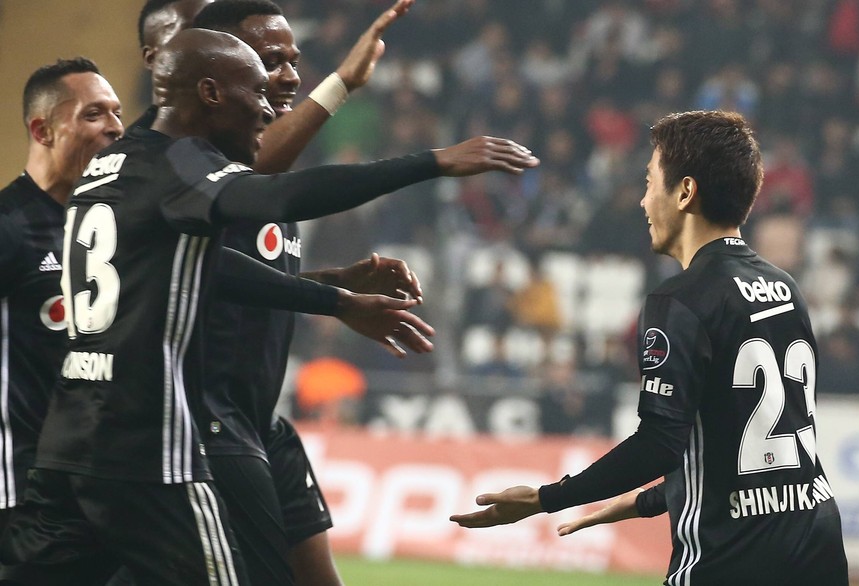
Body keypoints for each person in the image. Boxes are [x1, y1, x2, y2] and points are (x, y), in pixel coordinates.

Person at [0, 29, 537, 586]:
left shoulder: (106, 172)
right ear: (210, 93)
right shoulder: (179, 163)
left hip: (68, 445)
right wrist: (432, 162)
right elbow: (281, 195)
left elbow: (214, 272)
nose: (264, 109)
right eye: (254, 91)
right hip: (147, 445)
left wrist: (332, 296)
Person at [450, 110, 849, 586]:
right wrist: (644, 501)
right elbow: (750, 453)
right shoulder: (784, 287)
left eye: (649, 181)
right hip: (817, 544)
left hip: (731, 558)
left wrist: (546, 498)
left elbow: (660, 442)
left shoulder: (679, 300)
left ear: (684, 192)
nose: (643, 201)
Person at [191, 1, 422, 584]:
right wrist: (343, 83)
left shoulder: (268, 170)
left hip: (260, 421)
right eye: (271, 62)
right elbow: (249, 180)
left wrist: (335, 284)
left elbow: (247, 282)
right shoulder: (196, 165)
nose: (291, 75)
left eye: (294, 60)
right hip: (205, 427)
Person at [0, 57, 122, 533]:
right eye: (94, 115)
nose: (115, 128)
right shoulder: (10, 228)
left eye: (116, 113)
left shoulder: (111, 229)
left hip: (98, 485)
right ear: (43, 130)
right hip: (21, 495)